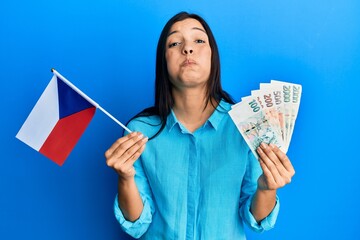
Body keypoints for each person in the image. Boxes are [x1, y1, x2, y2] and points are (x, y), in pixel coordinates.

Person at [105, 11, 295, 239]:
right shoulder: (140, 131)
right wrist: (125, 178)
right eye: (174, 43)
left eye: (198, 40)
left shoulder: (246, 125)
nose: (187, 48)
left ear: (213, 56)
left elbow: (254, 219)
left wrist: (267, 188)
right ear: (162, 62)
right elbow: (138, 223)